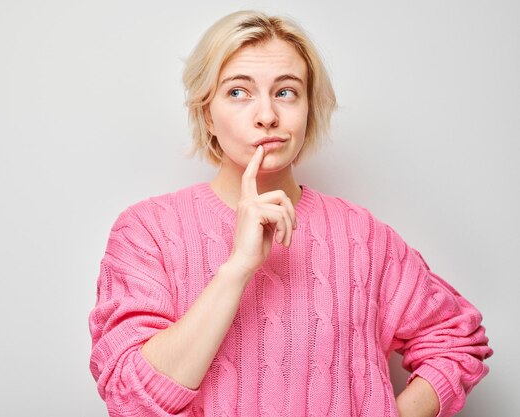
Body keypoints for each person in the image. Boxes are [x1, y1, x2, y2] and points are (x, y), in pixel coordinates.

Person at [88, 10, 492, 417]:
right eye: (237, 92)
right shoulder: (147, 231)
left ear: (307, 109)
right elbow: (130, 398)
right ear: (207, 113)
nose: (267, 115)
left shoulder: (363, 236)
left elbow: (456, 339)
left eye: (285, 92)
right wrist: (237, 269)